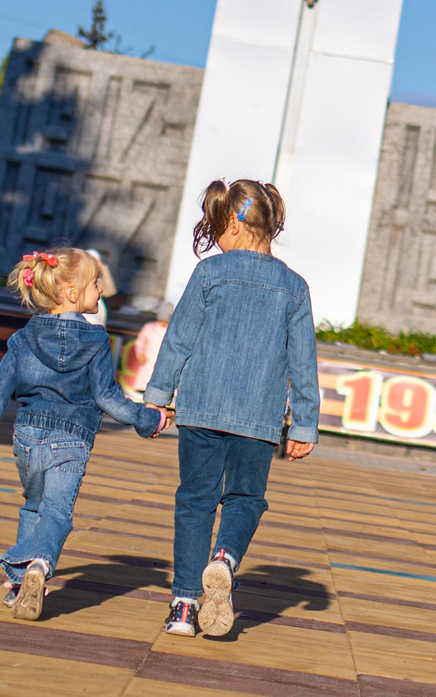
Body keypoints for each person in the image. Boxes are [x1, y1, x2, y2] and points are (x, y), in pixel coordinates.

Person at [142, 177, 318, 639]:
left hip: (200, 410)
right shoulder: (294, 287)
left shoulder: (208, 274)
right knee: (245, 499)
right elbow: (303, 362)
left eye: (217, 226)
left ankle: (183, 607)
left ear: (235, 227)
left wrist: (158, 396)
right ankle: (225, 558)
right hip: (258, 418)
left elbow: (178, 340)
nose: (216, 236)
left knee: (195, 502)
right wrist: (304, 425)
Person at [0, 247, 169, 620]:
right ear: (72, 293)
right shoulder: (96, 340)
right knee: (57, 512)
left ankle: (20, 583)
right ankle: (40, 564)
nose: (101, 289)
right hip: (71, 439)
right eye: (95, 283)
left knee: (33, 505)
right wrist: (149, 420)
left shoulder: (22, 338)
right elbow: (107, 398)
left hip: (27, 436)